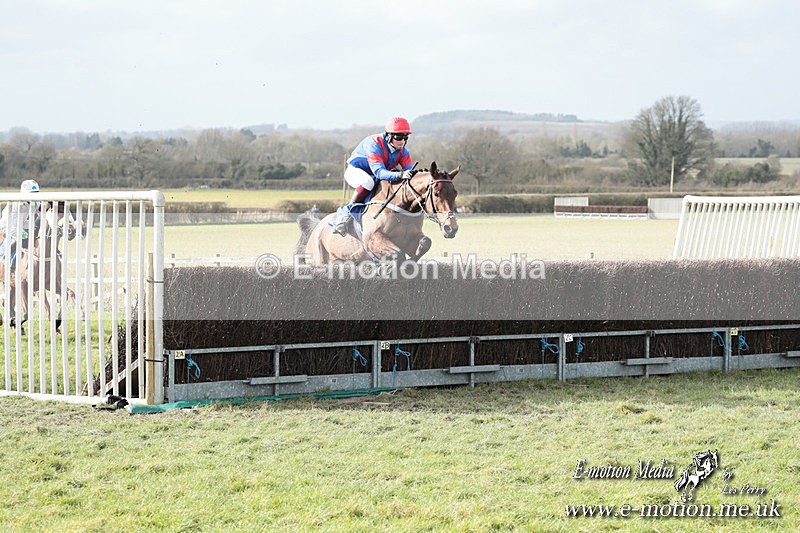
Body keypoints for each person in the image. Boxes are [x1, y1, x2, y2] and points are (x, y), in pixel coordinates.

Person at [331, 117, 415, 236]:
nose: (402, 141)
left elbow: (410, 171)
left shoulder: (403, 151)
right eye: (398, 137)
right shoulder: (374, 144)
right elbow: (379, 172)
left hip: (376, 175)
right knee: (368, 182)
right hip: (356, 171)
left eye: (405, 138)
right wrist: (400, 174)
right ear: (389, 135)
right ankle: (346, 213)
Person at [0, 179, 41, 270]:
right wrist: (25, 234)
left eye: (36, 193)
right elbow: (12, 227)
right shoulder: (15, 205)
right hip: (8, 226)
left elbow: (41, 210)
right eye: (32, 194)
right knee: (22, 238)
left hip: (22, 223)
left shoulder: (35, 202)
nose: (35, 197)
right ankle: (7, 258)